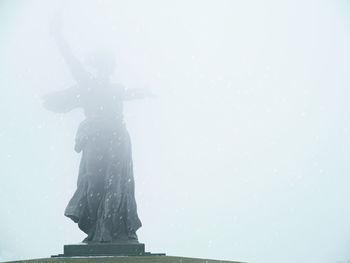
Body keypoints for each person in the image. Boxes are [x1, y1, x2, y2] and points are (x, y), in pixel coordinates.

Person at [43, 13, 153, 243]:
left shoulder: (116, 88)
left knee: (116, 185)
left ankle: (111, 231)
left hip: (118, 140)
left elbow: (129, 94)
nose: (106, 69)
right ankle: (96, 230)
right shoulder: (87, 82)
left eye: (108, 65)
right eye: (102, 64)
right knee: (93, 183)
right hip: (95, 140)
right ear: (97, 66)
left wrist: (143, 92)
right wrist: (58, 36)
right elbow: (70, 59)